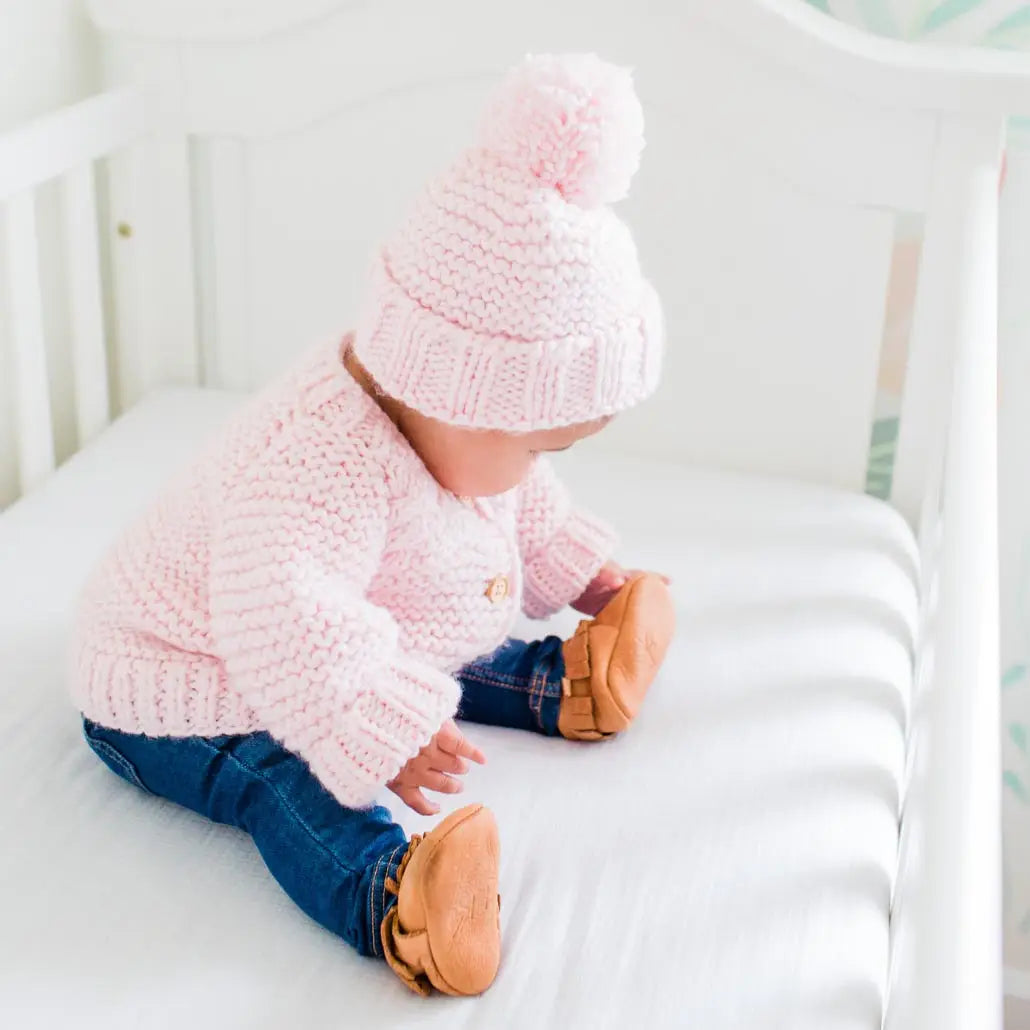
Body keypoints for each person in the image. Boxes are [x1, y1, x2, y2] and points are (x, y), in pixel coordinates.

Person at [71, 52, 674, 997]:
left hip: (293, 638)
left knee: (429, 636)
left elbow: (507, 496)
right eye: (538, 447)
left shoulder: (446, 418)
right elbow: (282, 609)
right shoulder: (323, 466)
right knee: (288, 776)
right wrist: (379, 730)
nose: (536, 470)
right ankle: (397, 900)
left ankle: (566, 681)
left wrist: (570, 566)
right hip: (178, 679)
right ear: (464, 398)